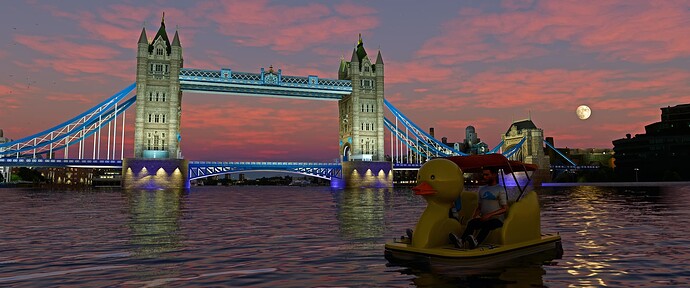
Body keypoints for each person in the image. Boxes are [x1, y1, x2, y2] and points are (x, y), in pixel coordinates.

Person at [450, 168, 508, 249]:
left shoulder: (500, 189)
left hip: (497, 220)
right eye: (483, 175)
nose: (484, 177)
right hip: (484, 218)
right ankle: (461, 241)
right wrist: (474, 216)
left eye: (487, 175)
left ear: (494, 175)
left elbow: (504, 209)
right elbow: (479, 207)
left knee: (487, 225)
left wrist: (489, 215)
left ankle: (476, 242)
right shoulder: (482, 189)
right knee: (472, 223)